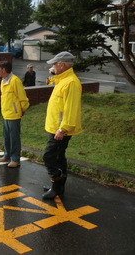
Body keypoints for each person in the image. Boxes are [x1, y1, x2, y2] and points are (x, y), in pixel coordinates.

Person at [42, 51, 82, 199]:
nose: (52, 66)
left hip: (60, 129)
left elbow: (71, 108)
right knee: (59, 157)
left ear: (62, 65)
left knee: (49, 156)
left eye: (54, 64)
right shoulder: (63, 79)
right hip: (55, 127)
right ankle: (58, 186)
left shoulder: (71, 82)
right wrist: (52, 74)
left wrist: (63, 129)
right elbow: (50, 82)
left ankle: (57, 180)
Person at [0, 61, 30, 168]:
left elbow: (23, 98)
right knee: (6, 137)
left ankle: (15, 159)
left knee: (14, 138)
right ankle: (7, 155)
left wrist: (21, 110)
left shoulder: (15, 81)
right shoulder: (3, 81)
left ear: (4, 70)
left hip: (14, 115)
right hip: (6, 114)